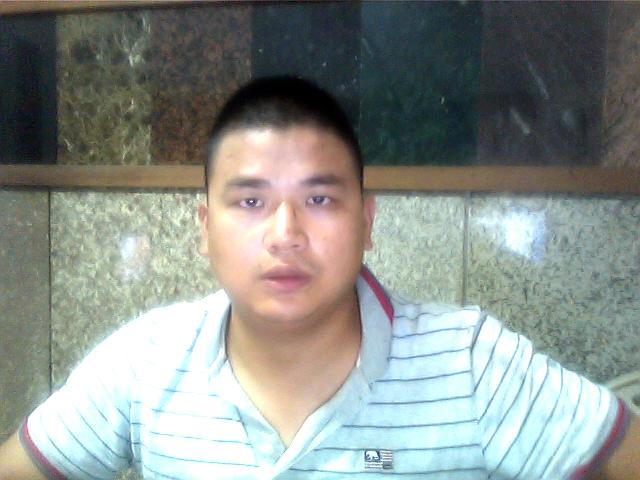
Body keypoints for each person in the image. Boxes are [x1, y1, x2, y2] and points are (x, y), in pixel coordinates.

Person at [0, 76, 638, 480]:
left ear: (366, 221)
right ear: (205, 227)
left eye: (320, 199)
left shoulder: (470, 361)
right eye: (251, 201)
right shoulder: (145, 361)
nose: (285, 233)